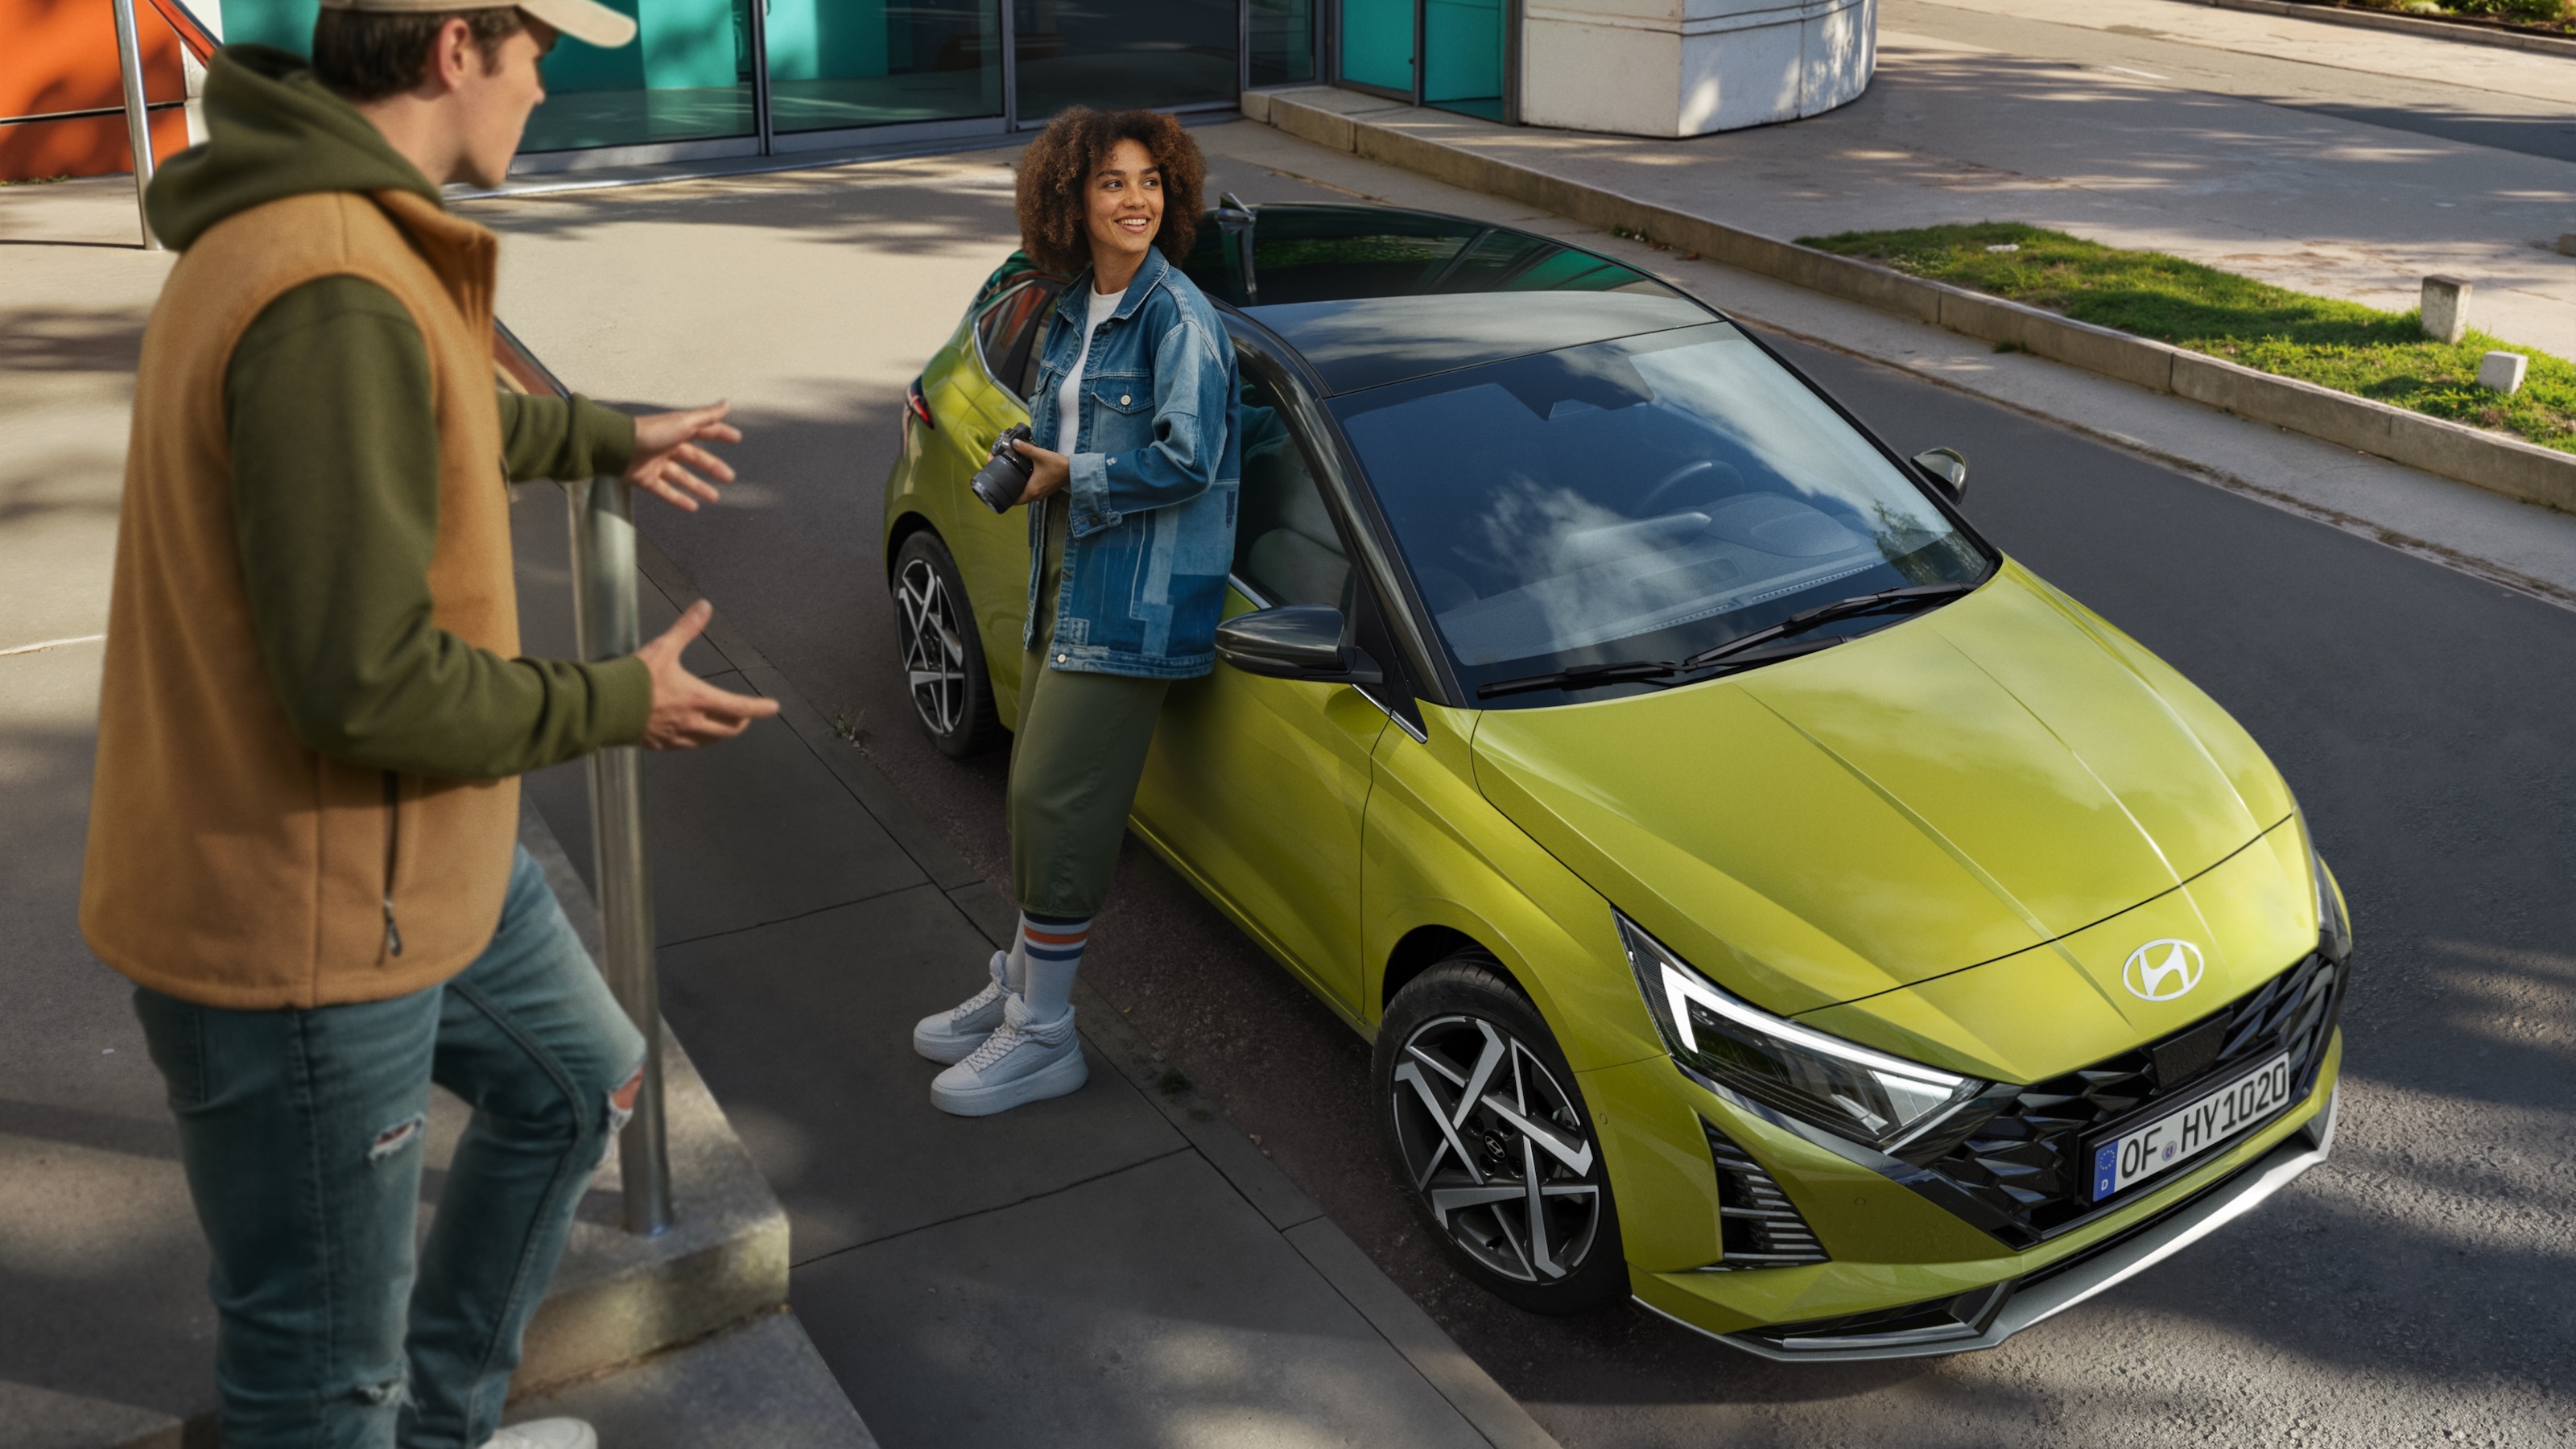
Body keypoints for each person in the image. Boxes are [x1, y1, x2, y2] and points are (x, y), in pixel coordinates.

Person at [79, 2, 778, 1446]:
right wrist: (616, 700)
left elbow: (422, 413)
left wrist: (600, 433)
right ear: (457, 48)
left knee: (580, 1082)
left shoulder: (342, 227)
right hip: (306, 927)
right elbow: (366, 686)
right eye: (538, 54)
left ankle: (444, 1427)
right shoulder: (329, 277)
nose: (546, 86)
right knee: (318, 1384)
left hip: (413, 871)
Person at [911, 109, 1241, 1116]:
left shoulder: (1179, 320)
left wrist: (1076, 473)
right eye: (1111, 182)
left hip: (1135, 601)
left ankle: (1046, 1035)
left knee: (1057, 801)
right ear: (1071, 202)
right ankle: (1020, 986)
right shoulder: (1067, 308)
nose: (1136, 199)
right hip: (1068, 582)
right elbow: (1050, 422)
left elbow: (1192, 458)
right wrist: (1025, 464)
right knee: (1031, 796)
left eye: (1149, 181)